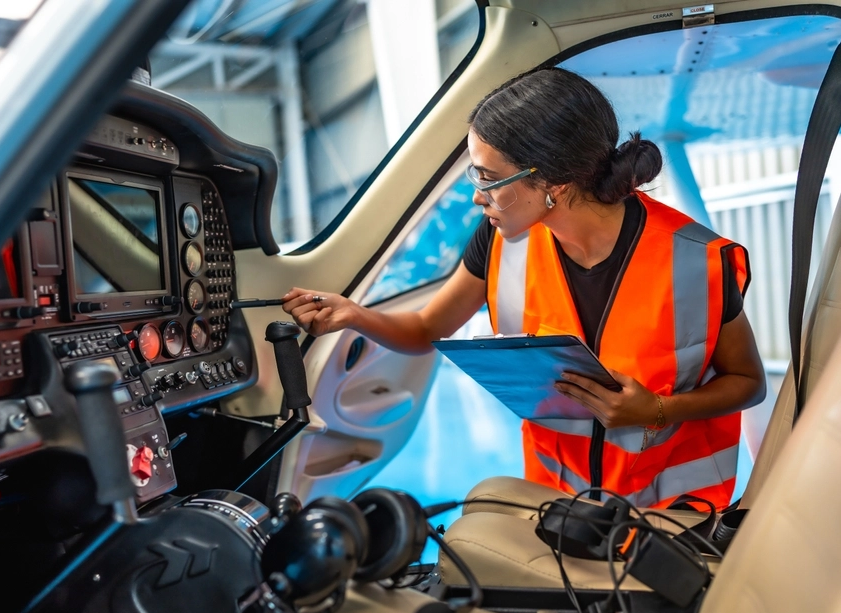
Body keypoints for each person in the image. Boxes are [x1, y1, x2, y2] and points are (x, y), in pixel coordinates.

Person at [282, 67, 766, 510]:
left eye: (488, 178)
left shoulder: (696, 261)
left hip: (675, 515)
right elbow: (428, 327)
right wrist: (352, 314)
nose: (477, 196)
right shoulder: (499, 242)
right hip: (561, 508)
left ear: (551, 182)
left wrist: (658, 410)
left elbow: (748, 383)